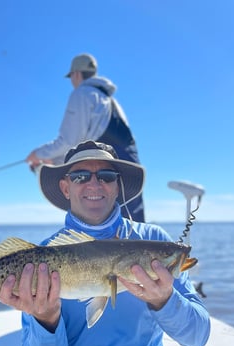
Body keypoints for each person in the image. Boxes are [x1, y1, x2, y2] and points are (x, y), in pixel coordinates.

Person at [0, 140, 211, 346]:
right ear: (65, 187)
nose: (94, 183)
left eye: (106, 175)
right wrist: (45, 319)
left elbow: (197, 337)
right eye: (80, 176)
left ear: (117, 186)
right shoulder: (40, 259)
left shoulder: (154, 240)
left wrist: (165, 300)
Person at [26, 53, 145, 222]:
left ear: (75, 74)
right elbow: (84, 140)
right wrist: (56, 160)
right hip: (123, 171)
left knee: (101, 228)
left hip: (102, 171)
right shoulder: (110, 101)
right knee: (133, 228)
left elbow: (68, 141)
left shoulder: (81, 94)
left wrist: (38, 155)